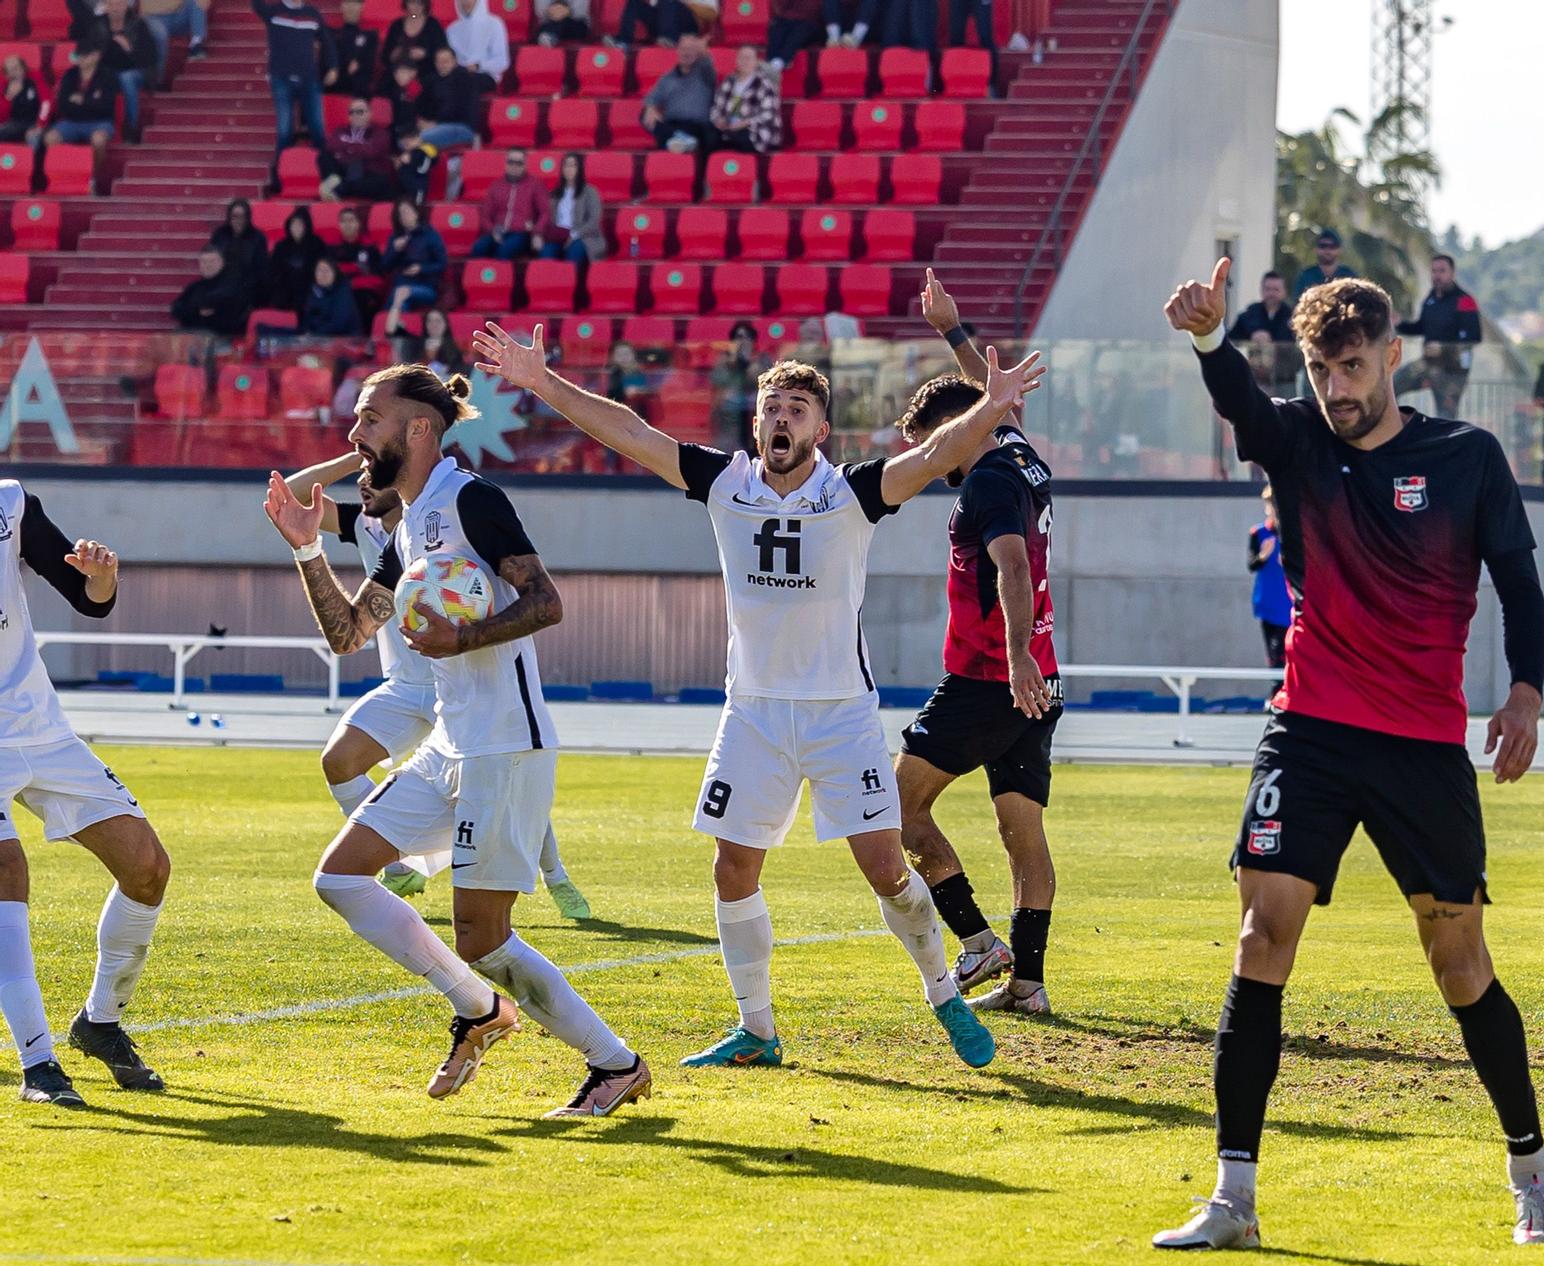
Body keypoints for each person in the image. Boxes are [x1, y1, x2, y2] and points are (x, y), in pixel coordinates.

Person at [471, 319, 1048, 1071]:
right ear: (756, 422)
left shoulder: (853, 492)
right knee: (731, 867)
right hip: (754, 713)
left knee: (884, 866)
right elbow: (631, 432)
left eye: (798, 410)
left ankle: (943, 993)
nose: (782, 419)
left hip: (840, 712)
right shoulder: (725, 482)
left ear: (821, 428)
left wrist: (990, 410)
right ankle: (758, 1029)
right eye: (772, 407)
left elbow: (935, 453)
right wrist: (544, 382)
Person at [1155, 257, 1544, 1250]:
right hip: (1311, 729)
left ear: (1389, 357)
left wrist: (1522, 691)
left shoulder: (1465, 454)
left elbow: (1515, 581)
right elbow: (1243, 410)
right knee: (1262, 935)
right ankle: (1232, 1199)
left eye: (1348, 366)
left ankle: (1529, 1168)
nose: (1333, 387)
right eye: (1318, 369)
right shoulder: (1293, 440)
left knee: (1457, 961)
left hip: (1420, 746)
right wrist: (1211, 341)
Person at [260, 366, 647, 1116]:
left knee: (482, 934)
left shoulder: (473, 499)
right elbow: (349, 633)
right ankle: (479, 1009)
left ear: (418, 430)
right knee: (340, 878)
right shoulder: (405, 524)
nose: (354, 433)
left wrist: (463, 633)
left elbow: (547, 602)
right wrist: (308, 549)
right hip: (449, 743)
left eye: (370, 419)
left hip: (506, 746)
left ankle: (615, 1063)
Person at [281, 451, 594, 916]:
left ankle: (557, 877)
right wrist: (361, 455)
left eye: (373, 475)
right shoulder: (366, 527)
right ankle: (401, 864)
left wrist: (382, 455)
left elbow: (544, 601)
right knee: (339, 761)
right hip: (407, 686)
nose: (363, 485)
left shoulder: (452, 518)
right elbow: (293, 495)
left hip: (462, 678)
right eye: (361, 477)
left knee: (506, 784)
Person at [896, 270, 1062, 1016]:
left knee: (897, 801)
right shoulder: (1020, 454)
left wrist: (1018, 653)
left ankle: (974, 941)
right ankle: (1027, 983)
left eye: (936, 445)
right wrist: (952, 330)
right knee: (1020, 826)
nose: (934, 461)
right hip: (1038, 675)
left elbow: (1014, 565)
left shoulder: (988, 480)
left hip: (992, 676)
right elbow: (987, 401)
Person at [0, 489, 174, 1108]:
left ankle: (99, 1023)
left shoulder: (13, 505)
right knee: (7, 869)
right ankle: (38, 1064)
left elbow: (88, 601)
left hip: (39, 729)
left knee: (147, 868)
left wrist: (102, 579)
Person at [1393, 253, 1482, 420]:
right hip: (1428, 364)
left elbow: (1474, 337)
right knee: (1391, 385)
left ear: (1452, 273)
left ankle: (1445, 445)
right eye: (1434, 271)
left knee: (1445, 417)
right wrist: (1399, 323)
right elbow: (1421, 327)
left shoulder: (1464, 300)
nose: (1437, 275)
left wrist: (1441, 348)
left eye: (1442, 271)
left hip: (1452, 372)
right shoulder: (1430, 299)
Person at [254, 0, 330, 156]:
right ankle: (280, 173)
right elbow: (257, 4)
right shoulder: (274, 12)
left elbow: (326, 41)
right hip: (281, 77)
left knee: (317, 128)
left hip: (309, 78)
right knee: (284, 130)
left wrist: (333, 66)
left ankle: (325, 170)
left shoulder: (312, 13)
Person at [30, 43, 118, 159]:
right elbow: (63, 104)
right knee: (50, 138)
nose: (81, 59)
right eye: (79, 56)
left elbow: (106, 105)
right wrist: (92, 100)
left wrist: (82, 100)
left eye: (85, 55)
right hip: (72, 121)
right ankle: (61, 172)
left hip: (100, 121)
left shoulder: (108, 76)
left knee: (98, 140)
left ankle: (93, 176)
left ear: (96, 56)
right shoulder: (70, 74)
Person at [85, 0, 155, 144]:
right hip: (107, 70)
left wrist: (129, 49)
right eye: (112, 4)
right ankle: (100, 127)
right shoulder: (97, 25)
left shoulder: (138, 24)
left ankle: (131, 128)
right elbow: (89, 51)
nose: (116, 8)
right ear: (106, 7)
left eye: (119, 4)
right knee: (98, 76)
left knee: (126, 78)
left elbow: (149, 58)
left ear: (126, 6)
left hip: (136, 71)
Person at [640, 31, 716, 154]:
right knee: (644, 114)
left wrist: (703, 50)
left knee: (669, 138)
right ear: (677, 51)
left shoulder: (705, 73)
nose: (687, 53)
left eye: (691, 49)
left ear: (697, 53)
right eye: (684, 49)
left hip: (696, 127)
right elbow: (651, 99)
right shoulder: (668, 77)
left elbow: (707, 61)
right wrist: (650, 108)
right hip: (671, 124)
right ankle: (680, 140)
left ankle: (676, 141)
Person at [1247, 484, 1288, 699]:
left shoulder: (1292, 532)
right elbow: (1251, 565)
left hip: (1289, 602)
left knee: (1288, 650)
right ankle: (1275, 693)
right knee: (1274, 650)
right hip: (1268, 601)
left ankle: (1285, 692)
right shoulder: (1258, 533)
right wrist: (1262, 556)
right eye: (1269, 505)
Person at [470, 149, 549, 259]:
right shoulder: (496, 185)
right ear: (505, 163)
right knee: (478, 248)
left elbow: (545, 213)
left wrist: (537, 232)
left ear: (525, 165)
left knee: (504, 250)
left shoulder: (535, 185)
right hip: (497, 231)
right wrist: (492, 230)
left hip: (522, 233)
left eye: (519, 163)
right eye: (511, 162)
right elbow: (485, 215)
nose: (514, 166)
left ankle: (500, 276)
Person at [381, 197, 446, 324]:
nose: (403, 216)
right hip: (400, 285)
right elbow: (385, 267)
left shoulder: (430, 235)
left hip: (426, 287)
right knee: (400, 299)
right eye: (400, 214)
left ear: (416, 213)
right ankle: (397, 334)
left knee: (399, 295)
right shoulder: (396, 237)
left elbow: (442, 264)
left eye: (406, 212)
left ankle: (390, 333)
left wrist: (421, 269)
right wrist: (395, 250)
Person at [318, 96, 397, 200]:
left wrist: (346, 149)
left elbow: (372, 151)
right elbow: (331, 145)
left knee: (381, 182)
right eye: (351, 112)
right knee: (324, 155)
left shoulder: (380, 133)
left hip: (367, 176)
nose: (355, 115)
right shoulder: (341, 130)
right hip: (344, 172)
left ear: (369, 113)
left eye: (360, 112)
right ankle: (337, 184)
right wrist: (357, 149)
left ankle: (339, 189)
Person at [707, 320, 767, 451]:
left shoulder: (762, 360)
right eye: (739, 337)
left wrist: (747, 362)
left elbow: (761, 382)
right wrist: (733, 362)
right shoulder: (723, 362)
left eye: (747, 337)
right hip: (730, 419)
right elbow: (718, 387)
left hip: (753, 417)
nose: (743, 341)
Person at [710, 44, 780, 155]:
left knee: (743, 138)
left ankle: (744, 170)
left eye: (748, 58)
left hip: (755, 129)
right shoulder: (729, 81)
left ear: (756, 62)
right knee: (709, 137)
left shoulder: (764, 85)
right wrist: (718, 119)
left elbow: (768, 115)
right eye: (741, 58)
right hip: (729, 126)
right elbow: (716, 106)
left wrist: (746, 123)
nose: (744, 61)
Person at [413, 44, 481, 151]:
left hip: (462, 127)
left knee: (418, 140)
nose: (442, 65)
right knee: (404, 139)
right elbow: (422, 105)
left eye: (446, 61)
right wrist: (422, 121)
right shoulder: (432, 81)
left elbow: (455, 108)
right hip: (438, 126)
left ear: (455, 61)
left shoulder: (464, 79)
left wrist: (435, 123)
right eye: (439, 61)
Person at [170, 245, 249, 336]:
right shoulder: (194, 287)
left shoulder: (233, 286)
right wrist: (197, 311)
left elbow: (229, 317)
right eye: (204, 261)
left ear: (222, 263)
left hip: (222, 338)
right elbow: (176, 309)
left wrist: (194, 310)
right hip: (189, 335)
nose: (207, 265)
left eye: (212, 261)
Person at [541, 151, 604, 263]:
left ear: (579, 168)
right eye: (566, 165)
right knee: (546, 252)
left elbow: (593, 221)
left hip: (583, 237)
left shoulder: (590, 192)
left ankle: (570, 280)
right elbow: (549, 219)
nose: (568, 169)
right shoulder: (554, 194)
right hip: (558, 236)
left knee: (574, 251)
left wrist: (572, 235)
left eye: (573, 165)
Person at [329, 206, 387, 322]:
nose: (347, 224)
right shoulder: (331, 248)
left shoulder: (370, 247)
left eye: (351, 220)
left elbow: (378, 277)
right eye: (343, 221)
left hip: (362, 292)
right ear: (339, 225)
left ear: (358, 224)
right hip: (338, 289)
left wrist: (353, 282)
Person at [269, 206, 330, 312]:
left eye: (300, 224)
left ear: (306, 226)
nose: (296, 228)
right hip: (286, 288)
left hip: (309, 287)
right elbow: (274, 270)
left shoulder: (317, 244)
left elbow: (323, 269)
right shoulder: (281, 245)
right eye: (293, 224)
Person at [378, 0, 447, 91]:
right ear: (406, 4)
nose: (416, 6)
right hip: (396, 75)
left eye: (419, 3)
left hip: (424, 75)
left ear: (425, 5)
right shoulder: (396, 25)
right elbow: (384, 56)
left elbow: (443, 53)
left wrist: (425, 54)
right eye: (412, 2)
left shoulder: (433, 25)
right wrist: (392, 55)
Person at [209, 198, 271, 295]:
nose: (239, 221)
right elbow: (211, 263)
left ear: (248, 218)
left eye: (243, 217)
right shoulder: (220, 235)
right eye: (235, 216)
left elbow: (260, 271)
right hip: (221, 287)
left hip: (248, 290)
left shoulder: (258, 238)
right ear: (229, 217)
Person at [445, 0, 507, 93]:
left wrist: (478, 66)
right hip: (459, 74)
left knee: (467, 83)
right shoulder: (452, 29)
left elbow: (501, 61)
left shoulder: (494, 23)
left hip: (485, 74)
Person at [322, 0, 379, 96]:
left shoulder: (370, 36)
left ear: (362, 6)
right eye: (347, 3)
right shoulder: (330, 33)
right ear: (342, 6)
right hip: (333, 88)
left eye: (355, 3)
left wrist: (358, 65)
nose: (351, 7)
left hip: (358, 91)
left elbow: (369, 63)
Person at [395, 304, 464, 376]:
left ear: (445, 324)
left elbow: (459, 372)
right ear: (425, 324)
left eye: (438, 321)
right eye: (430, 321)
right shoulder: (415, 344)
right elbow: (392, 332)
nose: (434, 324)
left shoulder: (454, 349)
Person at [301, 257, 362, 335]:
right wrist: (304, 333)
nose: (323, 274)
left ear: (335, 273)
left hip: (344, 338)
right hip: (319, 338)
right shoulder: (314, 290)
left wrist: (314, 335)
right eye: (319, 270)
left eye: (327, 270)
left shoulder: (343, 291)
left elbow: (339, 324)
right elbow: (308, 318)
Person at [1228, 271, 1294, 344]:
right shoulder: (1248, 316)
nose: (1271, 293)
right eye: (1267, 289)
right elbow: (1232, 340)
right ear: (1261, 290)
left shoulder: (1292, 317)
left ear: (1284, 292)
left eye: (1276, 290)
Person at [1291, 226, 1356, 300]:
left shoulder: (1349, 276)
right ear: (1316, 249)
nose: (1327, 250)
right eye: (1323, 246)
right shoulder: (1306, 276)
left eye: (1332, 246)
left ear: (1339, 250)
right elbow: (1298, 304)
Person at [608, 0, 695, 50]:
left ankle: (669, 40)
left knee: (668, 2)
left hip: (684, 26)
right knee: (634, 2)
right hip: (662, 21)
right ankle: (624, 42)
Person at [765, 0, 823, 68]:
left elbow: (815, 11)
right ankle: (770, 62)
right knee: (777, 28)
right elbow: (779, 9)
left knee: (801, 31)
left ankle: (780, 61)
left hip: (811, 23)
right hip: (786, 19)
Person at [0, 56, 42, 142]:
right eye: (9, 70)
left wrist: (40, 124)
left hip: (35, 122)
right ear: (6, 74)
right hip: (13, 123)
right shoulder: (4, 87)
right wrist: (8, 98)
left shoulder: (35, 81)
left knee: (33, 137)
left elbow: (47, 104)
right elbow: (2, 117)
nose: (13, 72)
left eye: (16, 68)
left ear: (23, 68)